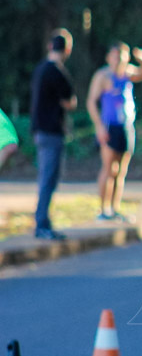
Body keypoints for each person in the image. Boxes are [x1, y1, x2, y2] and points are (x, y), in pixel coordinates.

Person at [86, 41, 142, 221]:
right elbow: (91, 102)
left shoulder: (128, 72)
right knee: (108, 168)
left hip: (126, 126)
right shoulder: (102, 75)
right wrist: (99, 126)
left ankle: (115, 209)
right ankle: (103, 210)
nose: (118, 60)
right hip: (109, 126)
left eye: (122, 56)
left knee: (121, 171)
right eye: (115, 56)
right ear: (109, 57)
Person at [30, 29, 77, 241]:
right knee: (48, 179)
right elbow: (70, 102)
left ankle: (44, 222)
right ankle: (41, 225)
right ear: (67, 49)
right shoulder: (58, 72)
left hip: (39, 131)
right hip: (52, 132)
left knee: (46, 178)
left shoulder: (39, 69)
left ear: (50, 46)